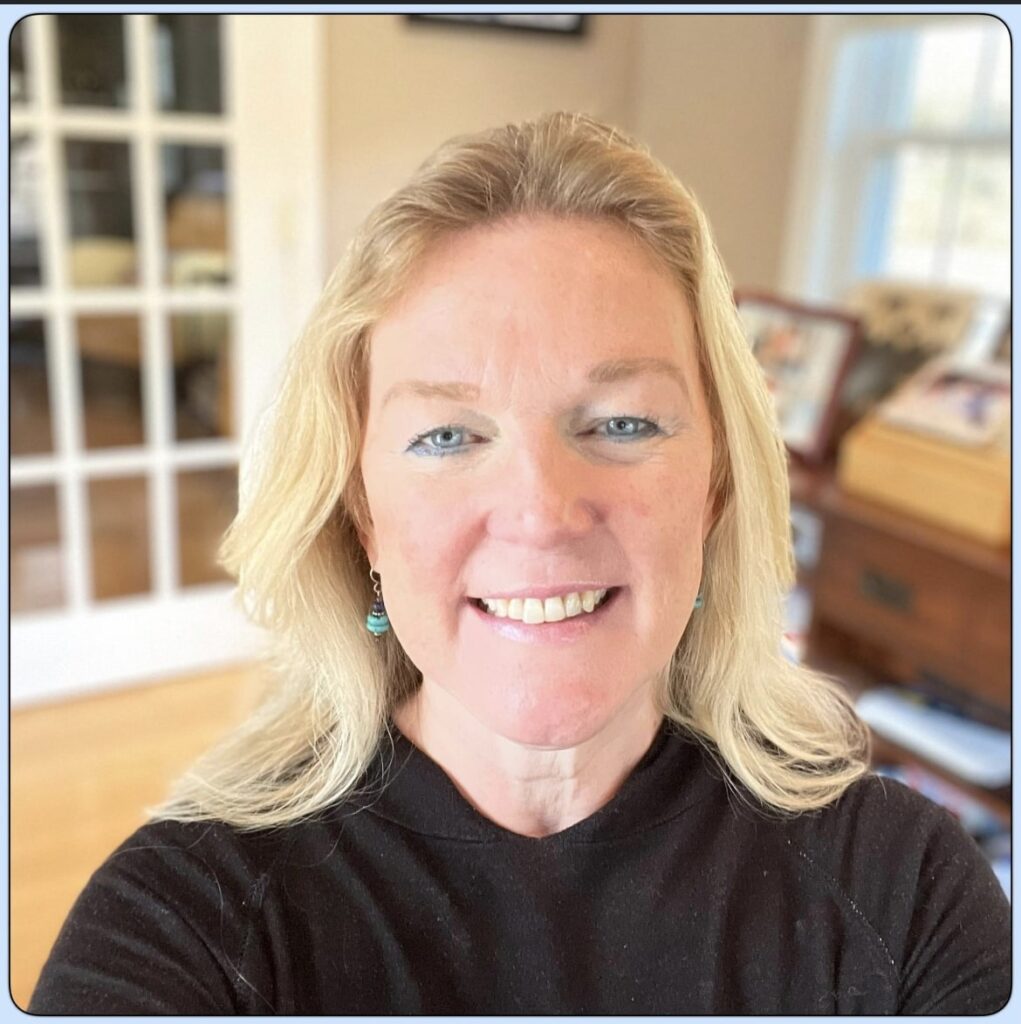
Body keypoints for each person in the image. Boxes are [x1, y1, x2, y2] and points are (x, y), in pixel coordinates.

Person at [29, 112, 1010, 1015]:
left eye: (622, 422)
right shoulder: (188, 922)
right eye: (447, 435)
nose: (540, 513)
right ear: (363, 515)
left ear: (714, 484)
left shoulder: (906, 892)